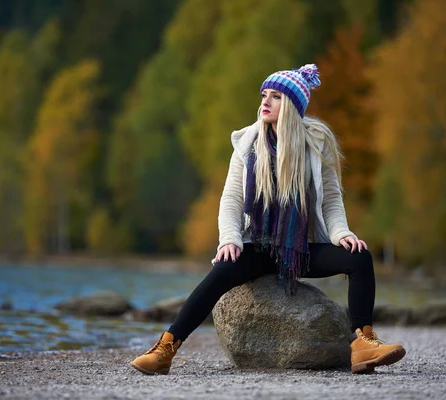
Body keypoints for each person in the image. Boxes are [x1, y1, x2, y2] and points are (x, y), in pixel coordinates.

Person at [130, 64, 406, 375]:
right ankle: (166, 348)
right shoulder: (247, 144)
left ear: (290, 105)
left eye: (275, 96)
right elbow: (231, 200)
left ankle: (363, 344)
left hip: (300, 249)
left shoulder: (315, 146)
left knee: (359, 257)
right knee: (220, 272)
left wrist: (342, 233)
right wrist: (230, 239)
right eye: (264, 94)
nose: (265, 101)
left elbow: (331, 200)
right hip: (258, 247)